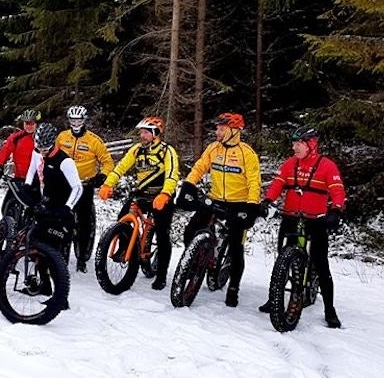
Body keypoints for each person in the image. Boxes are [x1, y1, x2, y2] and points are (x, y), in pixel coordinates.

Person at [257, 126, 345, 328]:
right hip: (290, 216)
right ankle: (276, 298)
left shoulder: (327, 166)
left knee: (321, 264)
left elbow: (337, 191)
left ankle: (329, 310)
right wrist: (268, 200)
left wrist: (336, 211)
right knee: (282, 259)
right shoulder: (289, 164)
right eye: (293, 143)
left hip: (317, 220)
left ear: (311, 145)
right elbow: (278, 184)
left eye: (299, 143)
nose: (294, 147)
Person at [179, 112, 261, 307]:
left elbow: (254, 182)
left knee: (235, 246)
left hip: (238, 203)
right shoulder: (213, 148)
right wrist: (188, 185)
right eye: (217, 128)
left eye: (221, 129)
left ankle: (233, 288)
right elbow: (199, 168)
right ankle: (196, 262)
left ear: (233, 131)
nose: (217, 131)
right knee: (190, 230)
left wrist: (252, 206)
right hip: (216, 198)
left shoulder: (247, 153)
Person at [98, 116, 179, 290]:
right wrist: (108, 184)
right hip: (142, 194)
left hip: (161, 196)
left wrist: (165, 193)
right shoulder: (136, 150)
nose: (141, 136)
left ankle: (162, 275)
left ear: (155, 133)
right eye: (140, 132)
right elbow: (120, 168)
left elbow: (172, 174)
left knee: (163, 235)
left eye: (145, 132)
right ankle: (124, 248)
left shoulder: (167, 151)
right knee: (123, 217)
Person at [54, 105, 115, 273]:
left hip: (84, 185)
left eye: (79, 120)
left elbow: (108, 162)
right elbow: (51, 154)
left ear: (84, 120)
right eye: (72, 120)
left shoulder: (94, 140)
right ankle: (60, 252)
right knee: (60, 218)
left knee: (84, 221)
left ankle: (81, 258)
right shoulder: (62, 137)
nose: (75, 123)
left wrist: (102, 176)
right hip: (64, 184)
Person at [25, 123, 84, 254]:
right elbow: (33, 169)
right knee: (37, 243)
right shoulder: (40, 153)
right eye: (39, 148)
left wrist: (68, 207)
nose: (42, 152)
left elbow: (78, 187)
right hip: (46, 203)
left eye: (45, 149)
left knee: (57, 249)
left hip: (61, 207)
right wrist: (28, 186)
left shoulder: (65, 162)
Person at [0, 109, 41, 219]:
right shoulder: (16, 137)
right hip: (19, 179)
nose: (29, 126)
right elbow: (6, 150)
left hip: (37, 181)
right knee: (6, 208)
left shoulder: (41, 139)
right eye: (26, 123)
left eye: (32, 123)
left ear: (36, 124)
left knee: (36, 210)